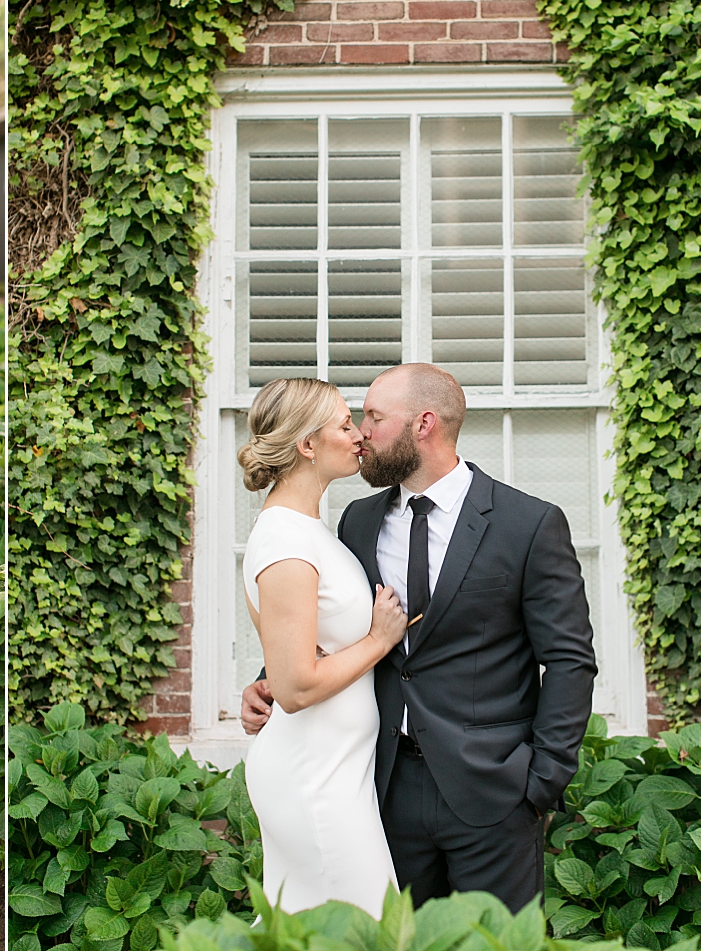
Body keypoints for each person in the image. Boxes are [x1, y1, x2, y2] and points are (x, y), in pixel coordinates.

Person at [242, 363, 597, 912]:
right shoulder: (356, 522)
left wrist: (542, 781)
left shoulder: (527, 523)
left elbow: (570, 660)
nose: (361, 432)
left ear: (424, 424)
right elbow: (326, 622)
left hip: (494, 792)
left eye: (375, 418)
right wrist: (268, 680)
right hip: (380, 786)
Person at [237, 377, 408, 917]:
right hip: (312, 778)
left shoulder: (311, 531)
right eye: (343, 424)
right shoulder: (286, 541)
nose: (359, 435)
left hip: (338, 769)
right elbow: (295, 687)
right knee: (365, 928)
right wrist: (379, 641)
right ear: (307, 444)